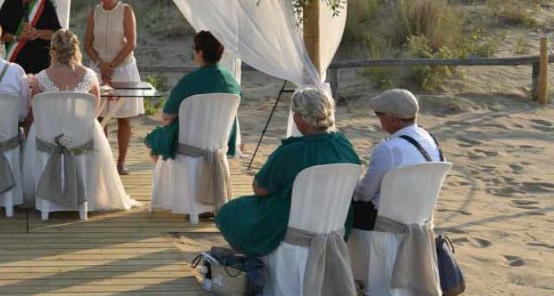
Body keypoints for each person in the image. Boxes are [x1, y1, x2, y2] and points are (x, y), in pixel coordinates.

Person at [215, 86, 361, 256]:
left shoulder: (291, 151)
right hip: (336, 220)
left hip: (293, 219)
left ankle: (257, 255)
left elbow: (260, 189)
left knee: (229, 212)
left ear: (301, 117)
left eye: (295, 113)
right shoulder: (344, 145)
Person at [23, 29, 135, 211]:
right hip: (81, 137)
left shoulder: (41, 78)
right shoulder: (90, 76)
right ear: (75, 49)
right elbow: (94, 112)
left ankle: (46, 200)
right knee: (92, 128)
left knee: (37, 128)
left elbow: (35, 112)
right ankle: (86, 199)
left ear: (53, 50)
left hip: (48, 138)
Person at [352, 89, 445, 230]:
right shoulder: (431, 139)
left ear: (393, 120)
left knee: (342, 209)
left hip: (386, 222)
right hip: (421, 218)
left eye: (379, 114)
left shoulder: (388, 149)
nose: (377, 118)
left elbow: (365, 194)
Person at [144, 31, 241, 163]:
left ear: (200, 53)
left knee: (152, 140)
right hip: (219, 144)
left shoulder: (189, 82)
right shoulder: (232, 81)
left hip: (188, 145)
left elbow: (167, 116)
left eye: (195, 49)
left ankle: (170, 179)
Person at [84, 0, 142, 175]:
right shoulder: (94, 13)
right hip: (99, 69)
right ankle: (104, 161)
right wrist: (101, 65)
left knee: (123, 117)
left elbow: (131, 42)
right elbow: (87, 44)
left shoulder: (125, 10)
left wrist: (113, 66)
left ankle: (121, 162)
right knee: (100, 117)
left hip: (123, 69)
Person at [0, 0, 61, 75]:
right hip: (14, 66)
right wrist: (17, 38)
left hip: (41, 68)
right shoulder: (9, 4)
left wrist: (37, 33)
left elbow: (56, 34)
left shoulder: (47, 5)